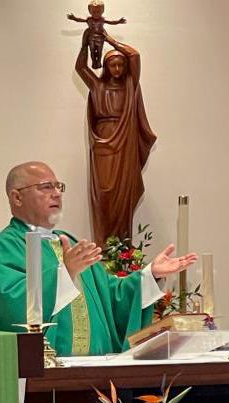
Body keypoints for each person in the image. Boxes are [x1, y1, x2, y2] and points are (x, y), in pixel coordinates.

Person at [0, 161, 197, 357]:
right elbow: (10, 309)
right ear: (17, 197)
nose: (56, 193)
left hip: (96, 369)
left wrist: (150, 275)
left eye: (58, 186)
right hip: (44, 374)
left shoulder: (70, 243)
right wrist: (65, 274)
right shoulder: (1, 249)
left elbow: (112, 296)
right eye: (46, 187)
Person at [76, 29, 156, 249]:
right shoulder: (97, 86)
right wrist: (85, 44)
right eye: (113, 65)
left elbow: (134, 55)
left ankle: (121, 248)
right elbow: (80, 68)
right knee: (104, 195)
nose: (118, 69)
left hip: (124, 142)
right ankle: (104, 246)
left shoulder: (130, 86)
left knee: (123, 194)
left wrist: (109, 39)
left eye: (121, 65)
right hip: (103, 143)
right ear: (106, 67)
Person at [67, 2, 127, 70]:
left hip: (100, 38)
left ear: (102, 11)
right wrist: (74, 18)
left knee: (99, 51)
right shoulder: (89, 19)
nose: (96, 14)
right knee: (92, 51)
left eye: (98, 12)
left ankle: (98, 62)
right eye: (94, 12)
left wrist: (119, 21)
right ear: (90, 11)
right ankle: (94, 62)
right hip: (91, 38)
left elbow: (111, 22)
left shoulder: (102, 20)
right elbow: (80, 20)